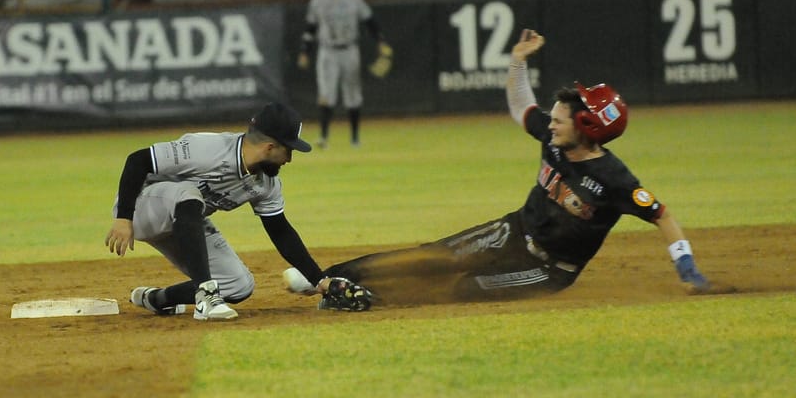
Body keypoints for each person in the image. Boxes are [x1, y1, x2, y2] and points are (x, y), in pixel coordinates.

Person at [285, 28, 713, 307]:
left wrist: (687, 267)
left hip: (549, 270)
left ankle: (361, 298)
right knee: (434, 257)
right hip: (514, 230)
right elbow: (521, 107)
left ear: (586, 127)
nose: (553, 119)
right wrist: (517, 60)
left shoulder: (614, 181)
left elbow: (662, 215)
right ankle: (325, 279)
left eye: (563, 116)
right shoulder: (554, 136)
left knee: (464, 289)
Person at [105, 101, 340, 321]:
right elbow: (138, 160)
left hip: (185, 223)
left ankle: (158, 299)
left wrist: (319, 280)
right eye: (288, 150)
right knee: (188, 193)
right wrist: (123, 218)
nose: (289, 159)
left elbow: (281, 232)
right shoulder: (209, 149)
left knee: (238, 284)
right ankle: (206, 297)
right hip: (141, 208)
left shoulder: (265, 185)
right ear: (270, 147)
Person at [297, 0, 392, 149]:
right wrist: (304, 51)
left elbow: (370, 21)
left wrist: (381, 41)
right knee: (326, 93)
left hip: (349, 49)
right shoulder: (318, 1)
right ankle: (324, 137)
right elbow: (310, 28)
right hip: (328, 51)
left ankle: (355, 137)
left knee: (353, 93)